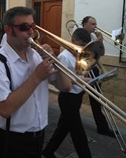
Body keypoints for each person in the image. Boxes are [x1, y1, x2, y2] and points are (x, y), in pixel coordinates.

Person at [0, 7, 72, 158]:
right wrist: (37, 76)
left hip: (38, 135)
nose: (31, 32)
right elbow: (4, 109)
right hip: (12, 139)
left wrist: (55, 60)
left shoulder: (36, 55)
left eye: (33, 26)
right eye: (24, 27)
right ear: (8, 29)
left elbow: (66, 86)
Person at [42, 28, 93, 158]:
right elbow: (65, 80)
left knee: (63, 128)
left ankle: (47, 151)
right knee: (78, 132)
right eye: (81, 45)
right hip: (68, 97)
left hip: (78, 95)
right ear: (72, 41)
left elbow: (80, 74)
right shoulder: (64, 57)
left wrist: (89, 78)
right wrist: (83, 80)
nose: (82, 49)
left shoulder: (80, 55)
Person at [82, 16, 115, 137]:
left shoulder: (94, 36)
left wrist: (99, 42)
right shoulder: (80, 36)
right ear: (84, 24)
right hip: (84, 71)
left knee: (97, 100)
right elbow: (86, 56)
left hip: (94, 71)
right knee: (76, 99)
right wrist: (96, 43)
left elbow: (101, 53)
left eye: (95, 23)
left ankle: (102, 127)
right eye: (92, 24)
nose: (95, 26)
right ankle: (67, 121)